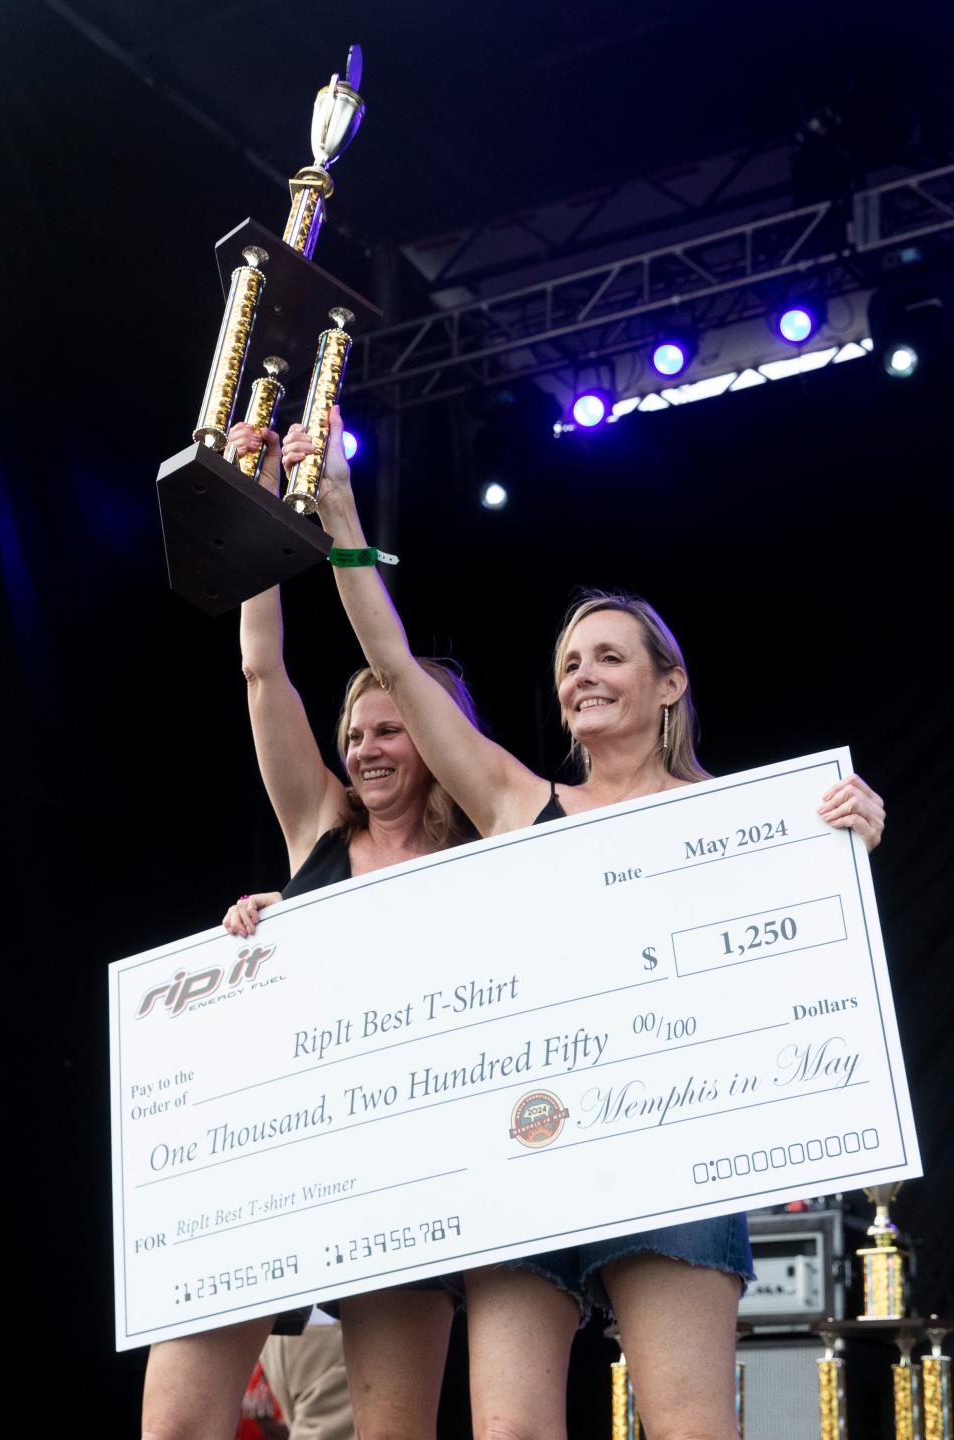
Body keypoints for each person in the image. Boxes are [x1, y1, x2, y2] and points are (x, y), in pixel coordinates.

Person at [290, 406, 886, 1440]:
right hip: (535, 1146)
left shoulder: (744, 822)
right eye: (570, 664)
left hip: (673, 1148)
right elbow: (390, 658)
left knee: (690, 1425)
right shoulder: (520, 804)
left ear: (669, 684)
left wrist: (851, 839)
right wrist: (341, 510)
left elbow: (799, 972)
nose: (584, 676)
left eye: (610, 657)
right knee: (512, 1430)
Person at [141, 421, 478, 1440]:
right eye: (355, 734)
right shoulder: (318, 831)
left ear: (437, 736)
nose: (367, 749)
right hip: (272, 1170)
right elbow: (261, 673)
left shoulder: (485, 868)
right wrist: (258, 523)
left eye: (391, 730)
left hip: (406, 1176)